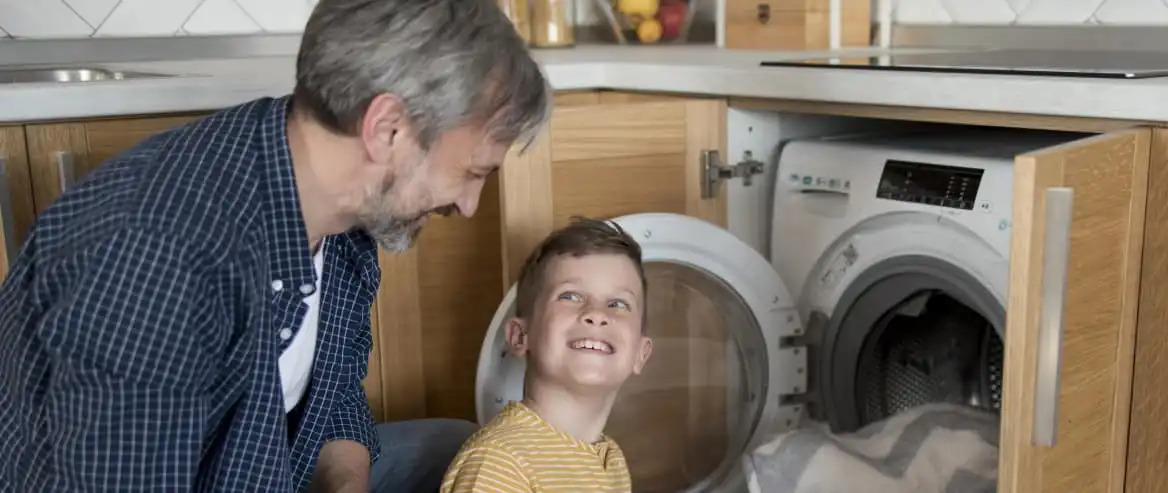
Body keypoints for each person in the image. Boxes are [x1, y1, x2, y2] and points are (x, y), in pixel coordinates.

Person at [0, 0, 550, 491]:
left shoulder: (342, 210)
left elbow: (333, 392)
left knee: (459, 448)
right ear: (388, 130)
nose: (469, 205)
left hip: (265, 465)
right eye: (472, 172)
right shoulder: (156, 257)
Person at [439, 217, 655, 492]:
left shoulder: (611, 459)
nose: (597, 314)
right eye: (571, 296)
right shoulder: (500, 462)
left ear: (640, 353)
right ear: (519, 336)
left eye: (618, 303)